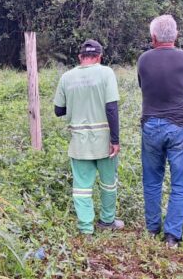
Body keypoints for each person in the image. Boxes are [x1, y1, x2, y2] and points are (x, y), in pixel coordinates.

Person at [137, 15, 183, 248]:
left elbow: (143, 85)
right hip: (180, 127)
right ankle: (172, 237)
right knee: (180, 182)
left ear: (153, 37)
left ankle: (151, 229)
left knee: (151, 179)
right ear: (176, 36)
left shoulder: (143, 60)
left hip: (151, 126)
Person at [54, 39, 124, 235]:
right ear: (99, 57)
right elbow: (111, 108)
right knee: (108, 183)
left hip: (79, 141)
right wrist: (115, 140)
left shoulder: (67, 77)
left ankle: (86, 228)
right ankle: (107, 221)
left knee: (82, 188)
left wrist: (77, 103)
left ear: (80, 57)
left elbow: (58, 110)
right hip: (105, 141)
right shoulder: (106, 73)